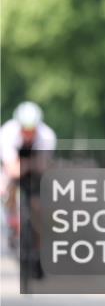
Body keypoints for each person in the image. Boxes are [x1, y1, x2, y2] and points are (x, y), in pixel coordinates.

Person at [1, 101, 57, 272]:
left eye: (31, 129)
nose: (28, 133)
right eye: (24, 129)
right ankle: (12, 220)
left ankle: (40, 246)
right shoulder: (7, 133)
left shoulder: (47, 136)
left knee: (42, 203)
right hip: (11, 168)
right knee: (5, 187)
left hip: (35, 170)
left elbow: (44, 165)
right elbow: (12, 168)